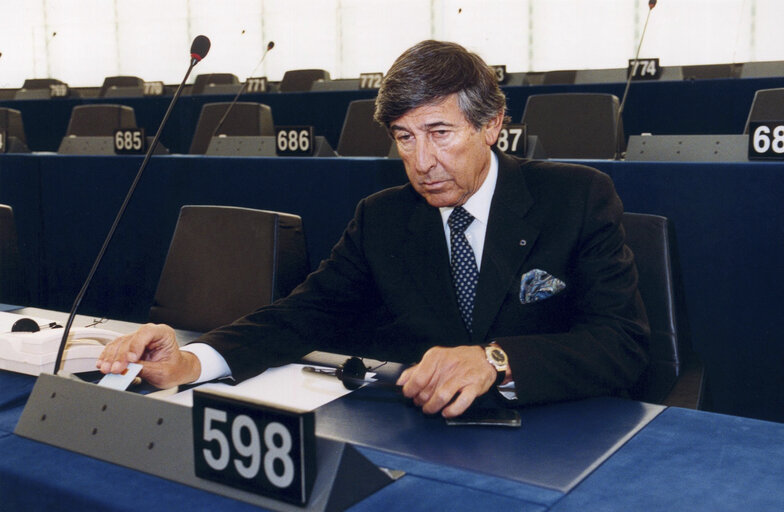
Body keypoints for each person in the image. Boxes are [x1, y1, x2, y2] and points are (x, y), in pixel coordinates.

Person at [98, 40, 649, 418]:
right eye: (404, 138)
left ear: (492, 125)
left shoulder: (577, 198)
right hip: (423, 440)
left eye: (439, 132)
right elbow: (302, 314)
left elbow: (622, 344)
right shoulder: (382, 217)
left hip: (558, 434)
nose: (423, 161)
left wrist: (494, 360)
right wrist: (195, 360)